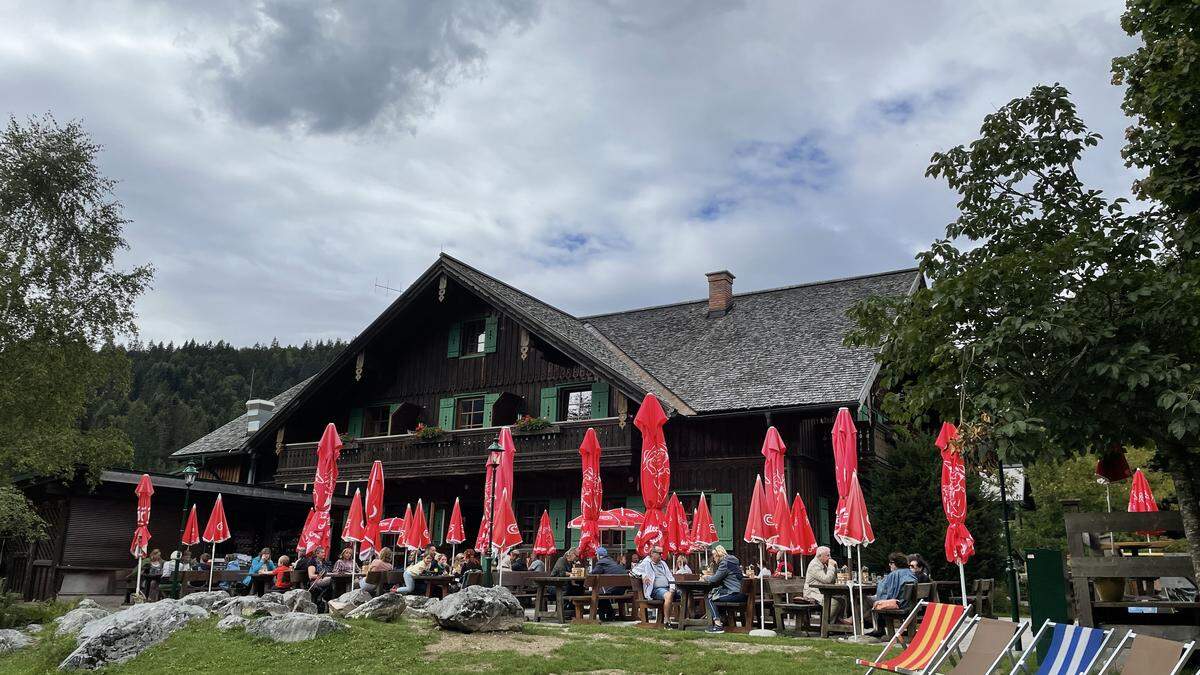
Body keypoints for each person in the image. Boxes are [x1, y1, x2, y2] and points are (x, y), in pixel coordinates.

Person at [865, 552, 918, 638]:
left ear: (896, 563)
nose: (889, 565)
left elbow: (883, 593)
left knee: (863, 599)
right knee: (874, 601)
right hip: (910, 605)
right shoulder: (910, 573)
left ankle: (879, 629)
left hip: (899, 605)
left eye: (891, 563)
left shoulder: (894, 574)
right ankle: (879, 629)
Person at [702, 545, 745, 633]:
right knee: (716, 593)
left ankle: (718, 626)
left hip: (735, 593)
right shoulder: (733, 561)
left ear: (718, 555)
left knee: (710, 598)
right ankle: (724, 621)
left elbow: (714, 579)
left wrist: (705, 577)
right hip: (741, 593)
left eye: (714, 556)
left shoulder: (724, 563)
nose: (713, 559)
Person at [633, 545, 676, 624]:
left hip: (667, 588)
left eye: (662, 553)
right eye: (659, 553)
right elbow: (633, 571)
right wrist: (643, 575)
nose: (661, 555)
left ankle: (687, 619)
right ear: (652, 553)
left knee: (686, 593)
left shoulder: (663, 563)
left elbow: (670, 577)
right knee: (669, 595)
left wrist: (672, 588)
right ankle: (667, 621)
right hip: (655, 590)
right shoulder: (646, 562)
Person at [804, 546, 846, 625]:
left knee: (841, 600)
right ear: (820, 556)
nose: (830, 557)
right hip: (812, 593)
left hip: (821, 592)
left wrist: (835, 568)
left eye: (829, 555)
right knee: (834, 602)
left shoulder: (824, 564)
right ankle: (825, 624)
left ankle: (835, 624)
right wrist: (831, 566)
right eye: (827, 555)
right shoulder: (814, 565)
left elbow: (832, 580)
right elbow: (826, 580)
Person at [589, 546, 627, 619]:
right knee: (601, 593)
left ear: (599, 555)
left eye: (596, 555)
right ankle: (610, 613)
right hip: (621, 590)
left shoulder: (601, 563)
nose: (596, 556)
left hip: (613, 589)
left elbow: (592, 574)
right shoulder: (612, 562)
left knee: (597, 594)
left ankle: (605, 615)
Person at [301, 546, 333, 610]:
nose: (324, 554)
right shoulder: (312, 562)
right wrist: (321, 576)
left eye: (324, 552)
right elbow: (311, 576)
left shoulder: (325, 562)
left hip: (325, 580)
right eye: (322, 552)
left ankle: (329, 603)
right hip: (315, 581)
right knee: (332, 580)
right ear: (317, 554)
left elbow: (330, 571)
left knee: (334, 581)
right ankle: (324, 600)